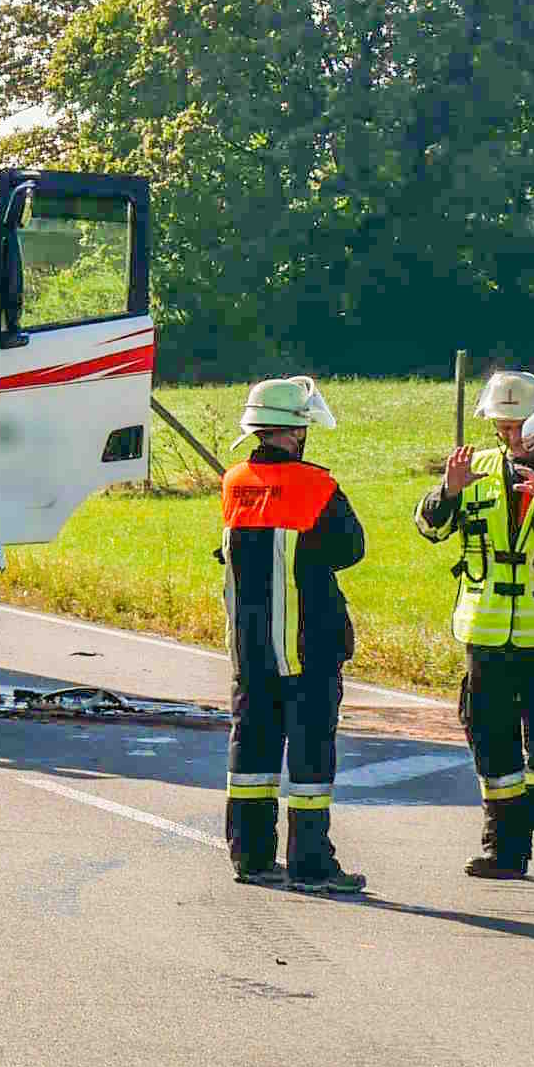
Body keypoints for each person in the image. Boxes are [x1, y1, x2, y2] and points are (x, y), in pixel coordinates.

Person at [418, 369, 534, 886]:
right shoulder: (475, 469)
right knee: (491, 742)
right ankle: (504, 849)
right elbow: (429, 529)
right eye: (502, 427)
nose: (511, 437)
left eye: (520, 426)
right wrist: (447, 490)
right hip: (485, 632)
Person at [216, 376, 368, 895]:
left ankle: (250, 855)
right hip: (308, 648)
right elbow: (351, 548)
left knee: (252, 751)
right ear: (297, 431)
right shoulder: (316, 485)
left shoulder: (234, 481)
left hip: (250, 649)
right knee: (309, 756)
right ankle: (310, 862)